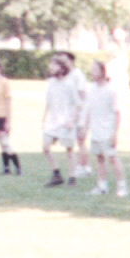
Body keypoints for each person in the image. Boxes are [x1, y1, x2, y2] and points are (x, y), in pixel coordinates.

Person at [82, 57, 126, 196]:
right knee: (99, 158)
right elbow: (88, 110)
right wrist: (85, 127)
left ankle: (122, 187)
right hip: (96, 131)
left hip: (108, 131)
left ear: (102, 72)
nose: (92, 72)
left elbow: (117, 113)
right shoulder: (91, 89)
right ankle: (102, 186)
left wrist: (114, 134)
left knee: (113, 158)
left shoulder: (111, 90)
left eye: (95, 70)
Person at [39, 51, 82, 186]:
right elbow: (48, 102)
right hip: (53, 122)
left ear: (62, 68)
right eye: (50, 66)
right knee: (46, 147)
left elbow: (77, 104)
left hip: (66, 122)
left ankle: (72, 177)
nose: (51, 69)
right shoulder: (51, 83)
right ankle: (56, 173)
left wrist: (72, 120)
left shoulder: (69, 84)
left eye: (54, 66)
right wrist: (44, 118)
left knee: (69, 150)